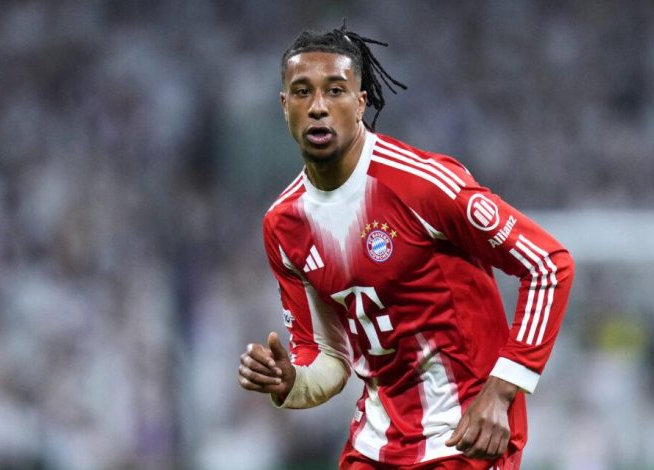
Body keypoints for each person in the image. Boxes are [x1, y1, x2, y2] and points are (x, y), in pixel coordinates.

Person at [239, 22, 575, 470]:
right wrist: (290, 382)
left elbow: (548, 264)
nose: (318, 107)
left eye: (335, 91)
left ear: (360, 102)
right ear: (284, 105)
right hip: (376, 445)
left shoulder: (422, 185)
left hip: (465, 438)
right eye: (302, 92)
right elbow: (329, 356)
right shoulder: (284, 224)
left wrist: (502, 390)